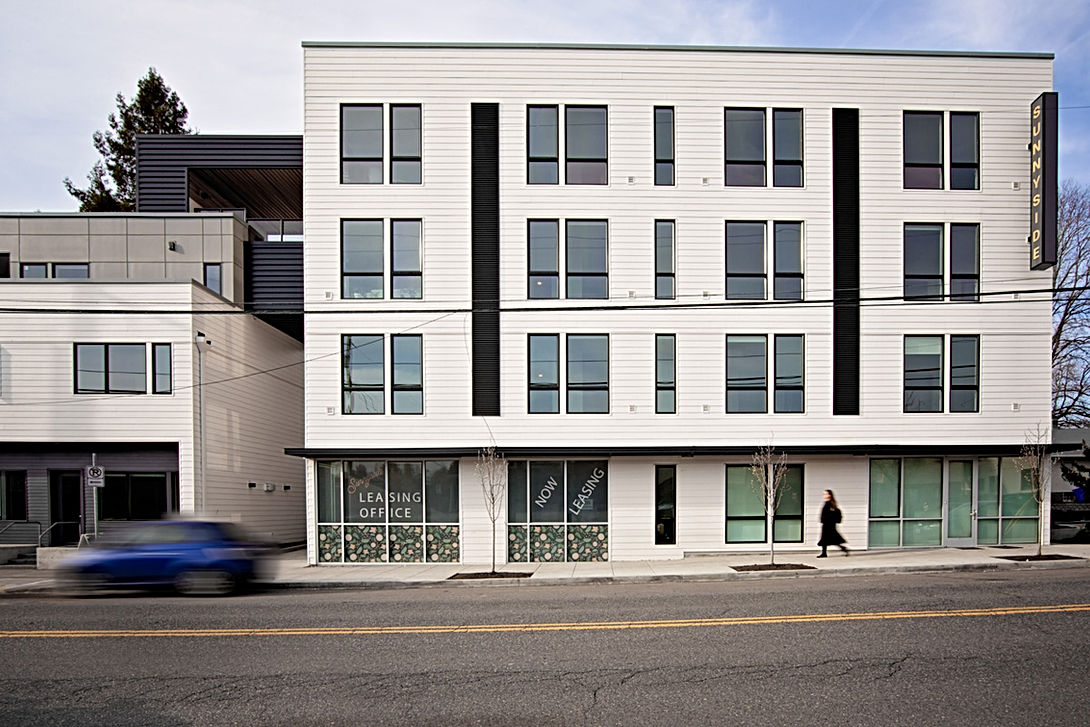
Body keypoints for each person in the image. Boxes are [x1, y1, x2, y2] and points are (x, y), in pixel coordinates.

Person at [818, 489, 848, 557]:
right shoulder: (828, 503)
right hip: (827, 524)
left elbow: (831, 514)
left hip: (829, 525)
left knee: (830, 539)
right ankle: (825, 553)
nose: (824, 495)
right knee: (827, 539)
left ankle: (825, 553)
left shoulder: (830, 504)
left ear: (830, 495)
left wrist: (827, 519)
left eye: (826, 494)